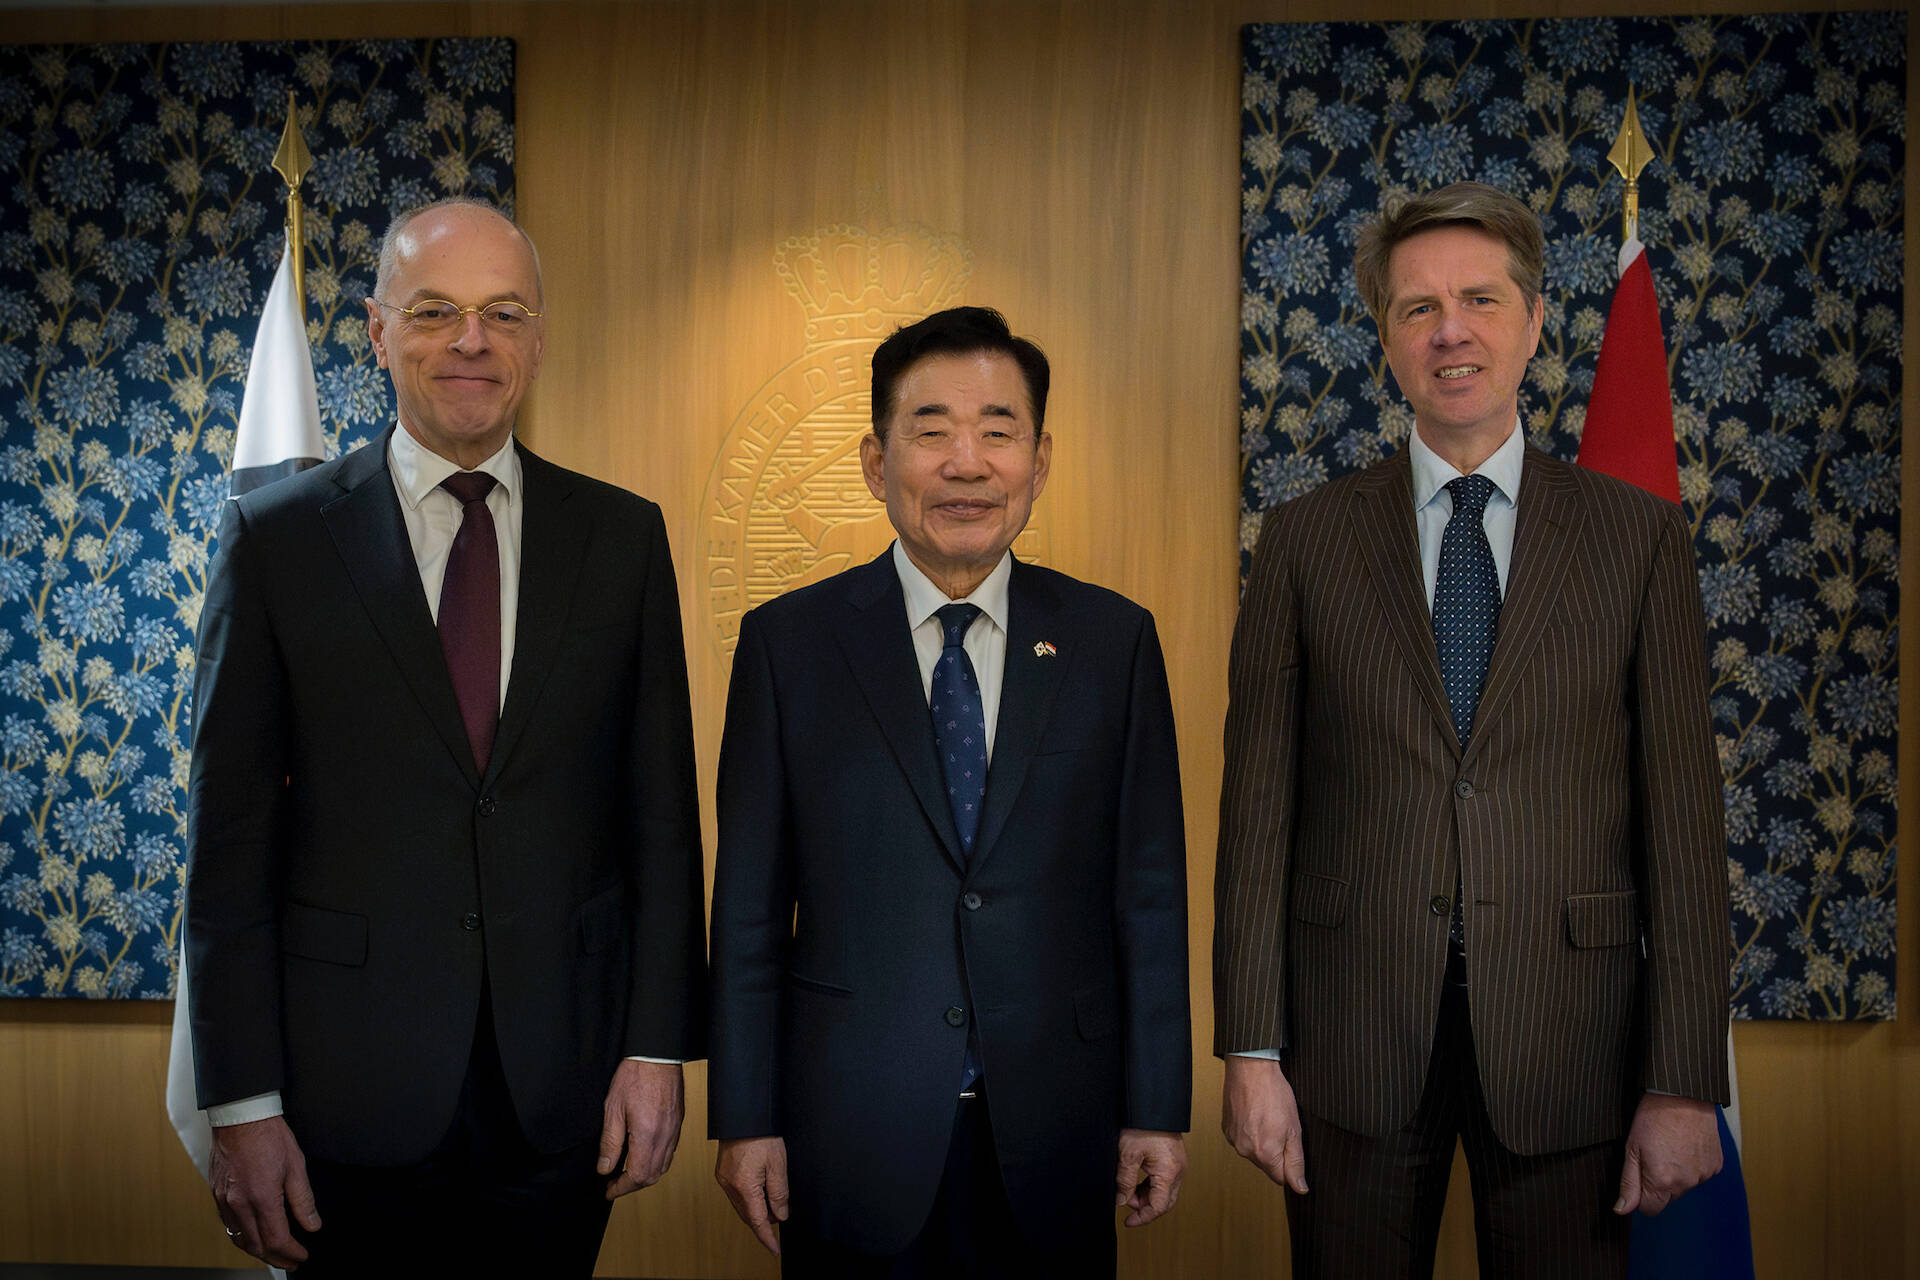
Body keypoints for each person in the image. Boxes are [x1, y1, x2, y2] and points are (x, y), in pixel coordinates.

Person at [1214, 182, 1730, 1278]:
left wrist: (1684, 1078)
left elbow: (1685, 824)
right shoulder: (1304, 539)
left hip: (1570, 1041)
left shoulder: (1636, 538)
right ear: (1387, 340)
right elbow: (1257, 812)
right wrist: (1251, 1047)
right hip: (1347, 1045)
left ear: (1535, 322)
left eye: (1481, 300)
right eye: (1417, 308)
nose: (1451, 330)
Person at [185, 198, 707, 1275]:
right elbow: (227, 849)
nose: (472, 341)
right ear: (377, 332)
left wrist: (657, 1045)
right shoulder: (277, 540)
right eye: (435, 312)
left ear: (538, 336)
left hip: (560, 1097)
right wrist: (240, 1101)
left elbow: (659, 817)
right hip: (344, 1095)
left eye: (503, 313)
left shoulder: (621, 536)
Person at [708, 306, 1190, 1277]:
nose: (966, 463)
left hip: (1061, 1125)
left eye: (998, 430)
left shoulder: (1112, 642)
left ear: (1039, 460)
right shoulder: (788, 646)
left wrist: (1157, 1104)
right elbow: (751, 908)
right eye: (931, 430)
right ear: (877, 463)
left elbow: (1150, 896)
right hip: (849, 1130)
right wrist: (745, 1115)